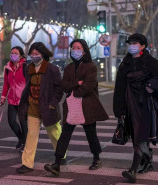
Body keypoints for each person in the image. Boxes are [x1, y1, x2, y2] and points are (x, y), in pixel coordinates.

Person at [113, 33, 158, 183]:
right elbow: (119, 88)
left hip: (146, 106)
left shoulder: (151, 62)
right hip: (129, 105)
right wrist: (119, 111)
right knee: (137, 136)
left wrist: (151, 87)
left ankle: (133, 170)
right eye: (130, 43)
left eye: (135, 43)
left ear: (143, 46)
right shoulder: (124, 64)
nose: (131, 45)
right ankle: (148, 161)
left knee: (140, 136)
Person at [44, 39, 109, 176]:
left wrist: (75, 89)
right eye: (73, 47)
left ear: (84, 51)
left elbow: (88, 87)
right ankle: (57, 163)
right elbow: (64, 86)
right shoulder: (68, 68)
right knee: (65, 134)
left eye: (78, 47)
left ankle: (96, 158)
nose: (75, 50)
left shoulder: (91, 66)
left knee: (91, 135)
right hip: (72, 105)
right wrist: (76, 84)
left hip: (87, 105)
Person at [16, 42, 64, 173]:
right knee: (31, 135)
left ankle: (61, 154)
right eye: (32, 54)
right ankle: (27, 163)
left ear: (43, 54)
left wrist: (52, 103)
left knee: (54, 132)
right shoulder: (28, 68)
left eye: (36, 54)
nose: (34, 56)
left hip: (48, 107)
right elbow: (27, 86)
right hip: (32, 106)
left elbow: (59, 89)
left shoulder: (52, 69)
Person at [0, 46, 27, 152]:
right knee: (11, 121)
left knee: (23, 123)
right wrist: (3, 97)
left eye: (15, 53)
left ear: (20, 55)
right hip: (12, 99)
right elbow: (6, 84)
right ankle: (21, 139)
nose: (13, 55)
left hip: (23, 100)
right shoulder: (8, 68)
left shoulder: (25, 67)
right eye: (12, 53)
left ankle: (25, 143)